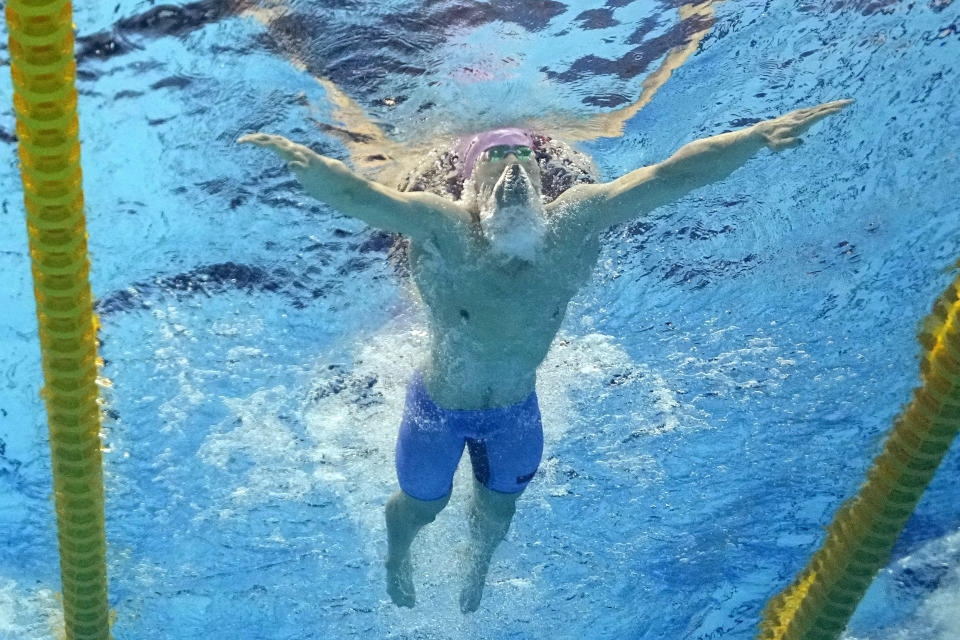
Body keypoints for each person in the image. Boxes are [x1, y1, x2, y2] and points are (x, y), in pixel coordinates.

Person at [238, 98, 852, 612]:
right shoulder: (443, 226)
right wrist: (308, 163)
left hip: (514, 411)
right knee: (425, 506)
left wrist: (754, 137)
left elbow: (669, 176)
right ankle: (399, 550)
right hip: (438, 410)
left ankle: (475, 563)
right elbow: (362, 199)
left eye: (522, 155)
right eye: (496, 156)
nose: (512, 166)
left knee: (498, 512)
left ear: (540, 171)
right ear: (470, 179)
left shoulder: (576, 219)